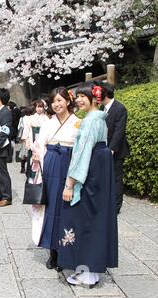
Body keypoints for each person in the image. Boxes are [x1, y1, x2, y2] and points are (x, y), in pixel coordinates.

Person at [59, 82, 118, 287]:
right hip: (99, 176)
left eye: (83, 96)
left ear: (94, 98)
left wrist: (70, 184)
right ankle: (92, 269)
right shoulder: (99, 119)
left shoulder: (90, 121)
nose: (78, 100)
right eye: (77, 96)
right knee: (96, 219)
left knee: (83, 220)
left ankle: (86, 272)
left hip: (89, 176)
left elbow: (82, 154)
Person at [31, 87, 80, 271]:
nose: (57, 104)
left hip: (69, 163)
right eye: (54, 101)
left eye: (60, 100)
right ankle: (53, 252)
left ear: (68, 101)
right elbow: (39, 145)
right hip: (50, 164)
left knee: (66, 207)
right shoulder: (48, 123)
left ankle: (66, 250)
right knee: (50, 207)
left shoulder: (78, 122)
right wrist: (37, 155)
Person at [100, 82, 130, 215]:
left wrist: (111, 149)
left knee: (116, 178)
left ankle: (116, 206)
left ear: (104, 93)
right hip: (102, 149)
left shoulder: (120, 108)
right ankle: (106, 202)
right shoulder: (102, 109)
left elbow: (119, 132)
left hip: (115, 151)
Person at [21, 100, 49, 179]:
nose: (40, 109)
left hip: (42, 139)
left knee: (42, 157)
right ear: (35, 108)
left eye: (41, 107)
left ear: (43, 108)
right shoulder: (31, 118)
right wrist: (26, 141)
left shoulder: (46, 118)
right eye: (38, 107)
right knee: (31, 157)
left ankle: (41, 176)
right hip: (32, 138)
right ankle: (31, 175)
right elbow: (27, 129)